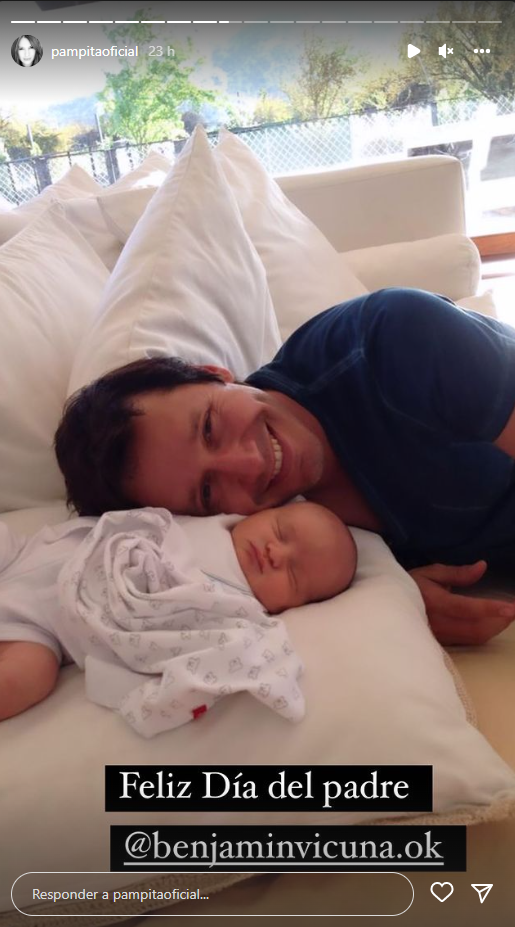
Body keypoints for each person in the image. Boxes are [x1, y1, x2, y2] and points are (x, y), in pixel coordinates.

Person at [55, 287, 515, 646]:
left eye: (210, 427)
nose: (249, 463)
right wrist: (402, 595)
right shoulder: (281, 542)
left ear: (215, 374)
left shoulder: (391, 340)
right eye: (207, 492)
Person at [0, 500, 356, 724]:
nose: (275, 553)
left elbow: (224, 660)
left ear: (289, 607)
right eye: (280, 531)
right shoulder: (211, 516)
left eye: (293, 574)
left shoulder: (238, 611)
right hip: (27, 550)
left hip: (41, 627)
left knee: (30, 675)